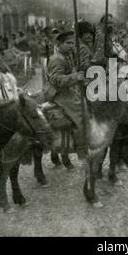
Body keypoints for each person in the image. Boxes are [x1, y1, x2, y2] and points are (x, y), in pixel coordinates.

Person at [44, 30, 88, 159]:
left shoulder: (67, 56)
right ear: (60, 44)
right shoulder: (57, 59)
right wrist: (75, 77)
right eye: (68, 43)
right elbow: (56, 80)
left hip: (69, 90)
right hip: (58, 93)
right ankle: (81, 148)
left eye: (73, 43)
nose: (71, 46)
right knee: (82, 111)